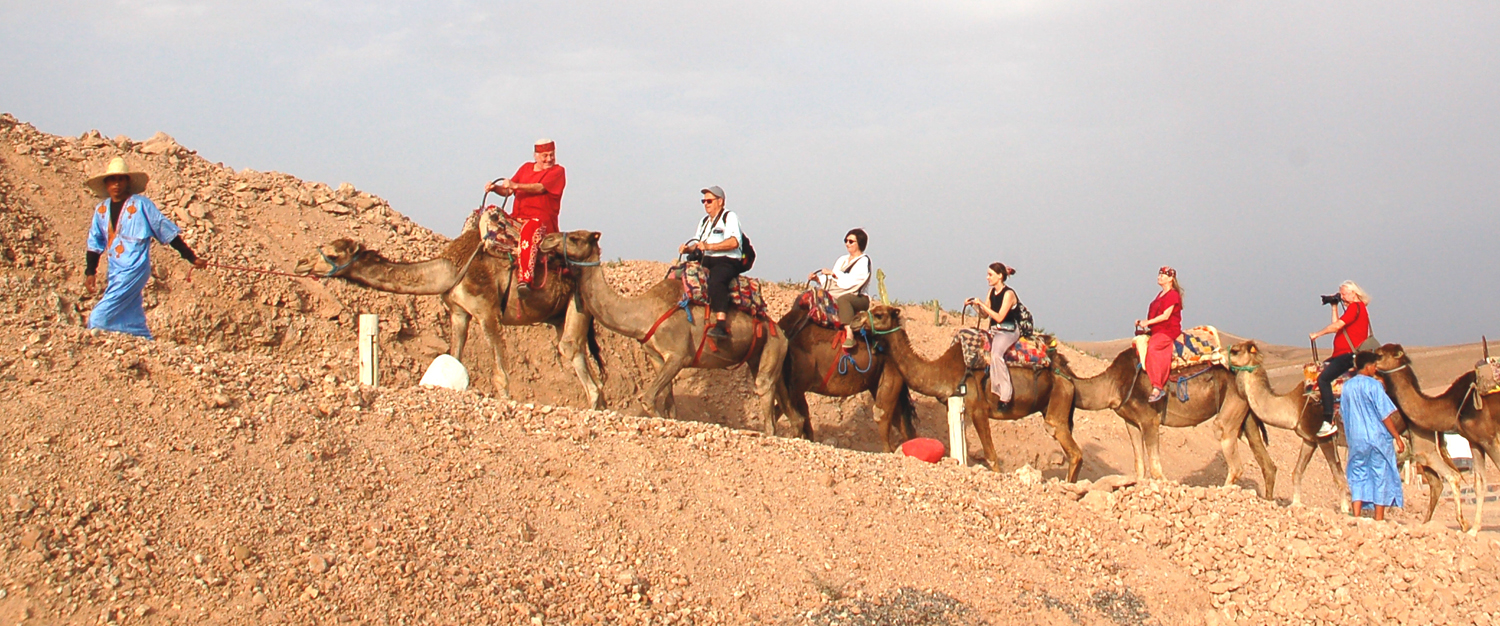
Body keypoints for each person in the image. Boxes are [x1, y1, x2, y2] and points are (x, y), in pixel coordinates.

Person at [83, 156, 205, 339]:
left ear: (127, 182)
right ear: (106, 184)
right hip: (115, 267)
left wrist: (191, 257)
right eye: (112, 180)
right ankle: (140, 336)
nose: (116, 184)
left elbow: (165, 230)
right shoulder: (101, 210)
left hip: (135, 266)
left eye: (120, 179)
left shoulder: (141, 205)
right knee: (130, 306)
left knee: (101, 314)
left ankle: (96, 326)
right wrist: (90, 271)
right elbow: (95, 242)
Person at [485, 138, 565, 291]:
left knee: (530, 230)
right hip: (517, 217)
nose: (549, 159)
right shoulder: (525, 168)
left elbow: (540, 188)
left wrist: (516, 185)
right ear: (536, 155)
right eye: (545, 156)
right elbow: (508, 190)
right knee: (490, 216)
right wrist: (495, 188)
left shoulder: (557, 171)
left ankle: (525, 278)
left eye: (551, 155)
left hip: (540, 221)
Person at [1341, 351, 1406, 520]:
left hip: (1356, 438)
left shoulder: (1347, 386)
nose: (1375, 369)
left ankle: (1356, 514)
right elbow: (1384, 414)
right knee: (1380, 473)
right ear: (1368, 367)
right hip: (1377, 437)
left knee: (1358, 472)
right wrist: (1397, 436)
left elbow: (1344, 413)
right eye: (1374, 366)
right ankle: (1379, 517)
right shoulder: (1374, 386)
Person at [1308, 280, 1372, 437]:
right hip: (1341, 354)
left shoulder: (1356, 307)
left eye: (1344, 294)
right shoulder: (1354, 309)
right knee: (1318, 371)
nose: (1342, 297)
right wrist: (1334, 306)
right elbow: (1337, 323)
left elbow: (1336, 327)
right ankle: (1334, 408)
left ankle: (1328, 420)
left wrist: (1318, 334)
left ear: (1353, 293)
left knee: (1323, 379)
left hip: (1348, 354)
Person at [678, 186, 742, 341]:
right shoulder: (704, 222)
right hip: (706, 260)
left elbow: (734, 242)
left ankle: (721, 323)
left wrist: (710, 247)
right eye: (703, 201)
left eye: (709, 200)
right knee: (680, 274)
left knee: (716, 281)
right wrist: (688, 249)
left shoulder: (729, 217)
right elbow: (698, 243)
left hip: (727, 260)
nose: (705, 204)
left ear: (720, 201)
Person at [964, 262, 1023, 410]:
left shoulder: (1009, 294)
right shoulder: (991, 292)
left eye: (990, 275)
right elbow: (984, 315)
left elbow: (999, 317)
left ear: (1000, 276)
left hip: (1008, 331)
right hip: (995, 331)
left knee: (996, 354)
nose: (987, 278)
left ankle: (1005, 396)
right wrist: (974, 305)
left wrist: (982, 305)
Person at [809, 228, 871, 349]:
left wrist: (833, 274)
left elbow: (855, 282)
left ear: (860, 243)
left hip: (856, 297)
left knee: (844, 300)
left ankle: (849, 334)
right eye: (846, 240)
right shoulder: (842, 260)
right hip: (838, 291)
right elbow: (833, 282)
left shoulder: (863, 261)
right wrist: (817, 279)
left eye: (851, 241)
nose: (847, 244)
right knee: (815, 295)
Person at [1134, 266, 1183, 403]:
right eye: (1159, 274)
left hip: (1167, 330)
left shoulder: (1173, 295)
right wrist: (1143, 323)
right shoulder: (1160, 295)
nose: (1159, 277)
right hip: (1157, 329)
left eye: (1163, 275)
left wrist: (1147, 322)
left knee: (1154, 348)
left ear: (1171, 279)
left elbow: (1166, 316)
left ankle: (1157, 387)